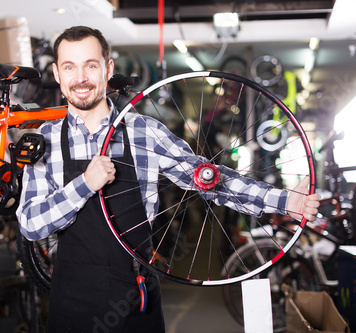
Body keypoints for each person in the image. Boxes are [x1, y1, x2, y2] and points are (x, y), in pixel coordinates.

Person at [16, 25, 321, 332]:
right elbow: (30, 223)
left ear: (107, 69)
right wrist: (84, 184)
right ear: (57, 73)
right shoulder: (45, 142)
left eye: (90, 65)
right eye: (70, 67)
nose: (80, 78)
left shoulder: (144, 133)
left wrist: (285, 201)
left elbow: (209, 178)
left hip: (136, 299)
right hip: (72, 303)